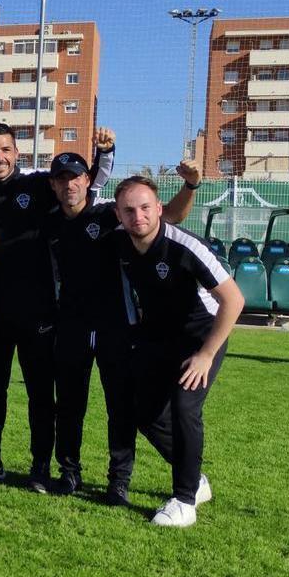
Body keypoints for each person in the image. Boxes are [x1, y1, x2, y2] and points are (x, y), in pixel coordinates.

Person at [0, 123, 112, 490]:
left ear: (17, 153)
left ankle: (40, 466)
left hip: (39, 311)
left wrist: (104, 154)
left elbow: (84, 182)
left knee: (42, 393)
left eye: (6, 150)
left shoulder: (38, 185)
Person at [44, 134, 200, 498]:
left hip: (117, 325)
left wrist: (191, 185)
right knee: (68, 404)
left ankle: (119, 480)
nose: (70, 184)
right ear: (54, 184)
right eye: (62, 179)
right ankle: (69, 472)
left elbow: (172, 215)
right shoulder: (50, 222)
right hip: (71, 325)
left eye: (76, 177)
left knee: (120, 407)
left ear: (87, 180)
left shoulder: (110, 216)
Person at [109, 176, 242, 527]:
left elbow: (234, 299)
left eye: (145, 207)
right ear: (118, 214)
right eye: (129, 210)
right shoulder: (120, 242)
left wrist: (206, 355)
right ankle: (196, 479)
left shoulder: (184, 246)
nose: (138, 216)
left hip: (202, 338)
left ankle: (184, 501)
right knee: (145, 414)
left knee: (185, 406)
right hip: (158, 339)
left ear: (159, 209)